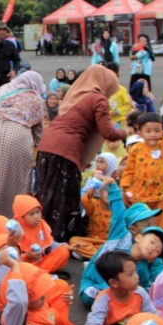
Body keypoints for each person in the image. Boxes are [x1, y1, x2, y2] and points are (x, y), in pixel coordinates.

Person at [34, 65, 126, 241]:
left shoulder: (76, 94)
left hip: (47, 145)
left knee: (45, 191)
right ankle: (59, 236)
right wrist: (125, 132)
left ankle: (39, 233)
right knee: (64, 193)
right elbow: (108, 133)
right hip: (66, 148)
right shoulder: (98, 99)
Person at [0, 71, 47, 224]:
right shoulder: (34, 99)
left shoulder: (2, 90)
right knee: (14, 183)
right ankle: (12, 222)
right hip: (17, 140)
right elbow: (39, 133)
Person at [84, 251, 157, 325]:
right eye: (131, 274)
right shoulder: (103, 300)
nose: (137, 277)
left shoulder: (140, 292)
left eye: (135, 272)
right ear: (114, 283)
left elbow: (153, 315)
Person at [11, 195, 70, 273]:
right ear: (21, 217)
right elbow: (13, 258)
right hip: (26, 264)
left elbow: (50, 244)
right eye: (31, 214)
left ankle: (40, 274)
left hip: (42, 261)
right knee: (21, 267)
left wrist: (66, 246)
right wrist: (27, 256)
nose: (36, 216)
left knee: (64, 251)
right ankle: (38, 275)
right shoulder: (15, 230)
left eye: (38, 212)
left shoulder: (42, 224)